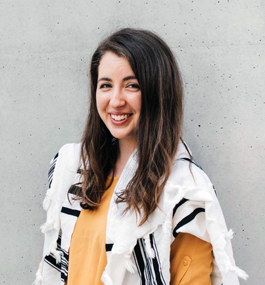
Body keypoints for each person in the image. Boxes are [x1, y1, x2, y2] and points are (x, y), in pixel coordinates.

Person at [34, 28, 248, 285]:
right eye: (106, 85)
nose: (115, 100)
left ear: (158, 92)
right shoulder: (73, 170)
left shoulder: (183, 191)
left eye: (132, 85)